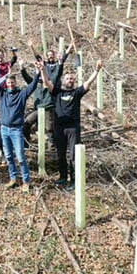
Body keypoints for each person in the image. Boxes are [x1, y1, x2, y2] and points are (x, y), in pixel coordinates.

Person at [43, 60, 103, 191]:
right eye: (67, 78)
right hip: (59, 128)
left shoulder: (76, 92)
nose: (69, 80)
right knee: (61, 154)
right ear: (63, 81)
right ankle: (63, 176)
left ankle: (74, 180)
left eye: (72, 79)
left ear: (74, 81)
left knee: (74, 155)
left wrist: (97, 70)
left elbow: (88, 83)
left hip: (73, 128)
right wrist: (42, 70)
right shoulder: (57, 92)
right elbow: (47, 83)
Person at [0, 57, 43, 193]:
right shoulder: (2, 94)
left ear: (15, 83)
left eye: (12, 82)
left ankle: (26, 180)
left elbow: (32, 86)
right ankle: (13, 178)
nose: (10, 84)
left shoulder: (21, 95)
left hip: (16, 130)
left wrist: (38, 73)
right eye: (8, 83)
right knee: (8, 156)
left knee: (20, 156)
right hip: (4, 129)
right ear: (6, 84)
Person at [22, 40, 73, 147]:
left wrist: (70, 47)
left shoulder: (56, 69)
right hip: (39, 108)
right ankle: (26, 143)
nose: (50, 57)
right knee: (26, 123)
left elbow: (61, 65)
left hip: (50, 99)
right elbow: (36, 60)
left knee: (50, 128)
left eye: (51, 55)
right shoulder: (38, 77)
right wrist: (31, 47)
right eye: (48, 55)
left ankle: (52, 146)